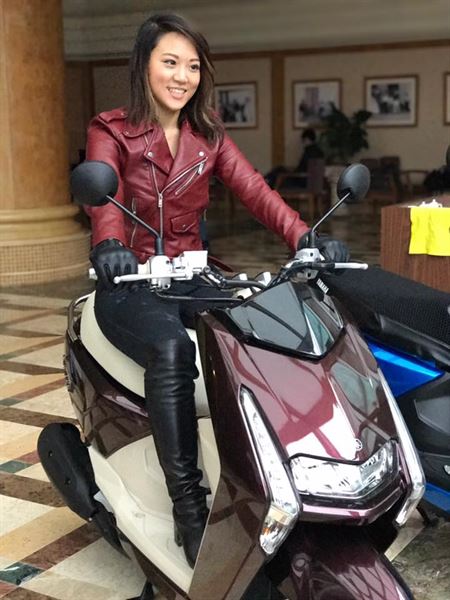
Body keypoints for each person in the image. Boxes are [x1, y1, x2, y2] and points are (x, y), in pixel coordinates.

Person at [85, 13, 348, 569]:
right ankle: (188, 505)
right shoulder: (110, 130)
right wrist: (109, 245)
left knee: (267, 325)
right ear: (144, 66)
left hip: (192, 275)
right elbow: (101, 196)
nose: (182, 77)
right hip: (130, 281)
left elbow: (255, 191)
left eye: (193, 66)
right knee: (171, 350)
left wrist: (305, 236)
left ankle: (286, 470)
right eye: (170, 62)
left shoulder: (208, 135)